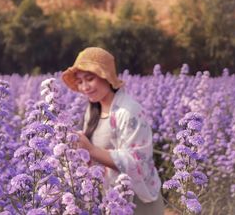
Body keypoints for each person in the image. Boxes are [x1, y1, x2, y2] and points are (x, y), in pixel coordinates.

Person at [62, 47, 164, 215]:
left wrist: (91, 150)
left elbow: (137, 162)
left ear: (106, 77)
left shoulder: (129, 111)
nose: (84, 87)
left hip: (138, 202)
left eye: (89, 79)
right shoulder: (93, 110)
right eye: (80, 82)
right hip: (110, 199)